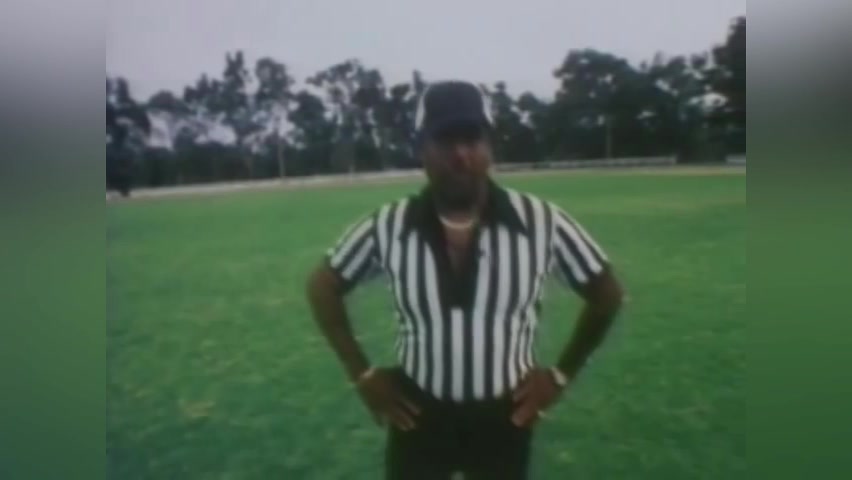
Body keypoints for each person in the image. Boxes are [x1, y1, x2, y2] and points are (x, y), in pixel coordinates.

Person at [306, 80, 624, 479]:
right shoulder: (389, 225)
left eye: (472, 139)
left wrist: (559, 377)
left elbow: (606, 293)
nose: (460, 154)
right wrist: (362, 374)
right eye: (445, 140)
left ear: (489, 146)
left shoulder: (541, 221)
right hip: (419, 414)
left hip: (504, 417)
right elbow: (323, 285)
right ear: (422, 149)